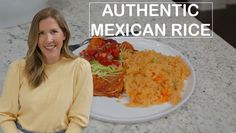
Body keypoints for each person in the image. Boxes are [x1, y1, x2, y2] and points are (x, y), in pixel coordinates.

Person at [0, 7, 93, 133]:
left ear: (64, 34)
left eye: (54, 31)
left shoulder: (80, 67)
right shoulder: (18, 68)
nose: (48, 39)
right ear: (35, 38)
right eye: (41, 33)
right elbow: (5, 115)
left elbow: (79, 119)